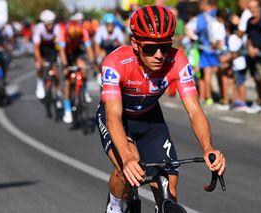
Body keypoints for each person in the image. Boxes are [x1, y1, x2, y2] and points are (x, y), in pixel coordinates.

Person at [96, 5, 226, 213]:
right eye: (150, 48)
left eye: (165, 47)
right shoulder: (115, 63)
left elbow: (194, 110)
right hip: (119, 118)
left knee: (169, 187)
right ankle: (115, 206)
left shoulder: (177, 60)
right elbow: (113, 115)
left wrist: (208, 147)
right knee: (126, 169)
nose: (159, 55)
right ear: (135, 44)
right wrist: (128, 157)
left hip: (150, 118)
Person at [58, 13, 95, 124]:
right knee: (68, 81)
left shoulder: (83, 31)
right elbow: (61, 51)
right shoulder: (63, 32)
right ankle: (68, 109)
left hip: (78, 52)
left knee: (83, 67)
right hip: (67, 54)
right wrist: (65, 65)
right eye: (72, 37)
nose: (74, 39)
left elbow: (89, 49)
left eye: (76, 37)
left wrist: (92, 62)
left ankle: (84, 90)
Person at [196, 0, 220, 107]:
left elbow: (198, 29)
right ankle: (213, 96)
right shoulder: (215, 14)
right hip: (216, 48)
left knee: (207, 74)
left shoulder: (202, 17)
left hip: (206, 49)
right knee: (214, 73)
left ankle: (208, 97)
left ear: (206, 5)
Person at [32, 9, 61, 100]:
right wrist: (39, 60)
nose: (50, 26)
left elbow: (60, 45)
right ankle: (40, 82)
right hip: (42, 48)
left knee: (55, 71)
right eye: (47, 24)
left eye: (51, 23)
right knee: (39, 66)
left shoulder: (57, 28)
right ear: (44, 24)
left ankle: (57, 91)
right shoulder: (39, 28)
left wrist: (60, 56)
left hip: (52, 48)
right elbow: (36, 47)